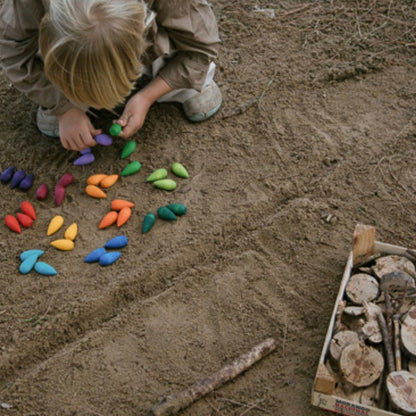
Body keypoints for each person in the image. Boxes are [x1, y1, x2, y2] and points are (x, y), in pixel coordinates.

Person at [0, 0, 222, 151]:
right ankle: (65, 96)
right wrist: (63, 108)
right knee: (53, 86)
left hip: (162, 37)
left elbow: (201, 48)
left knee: (191, 57)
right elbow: (12, 51)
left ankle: (182, 87)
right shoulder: (26, 5)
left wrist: (147, 96)